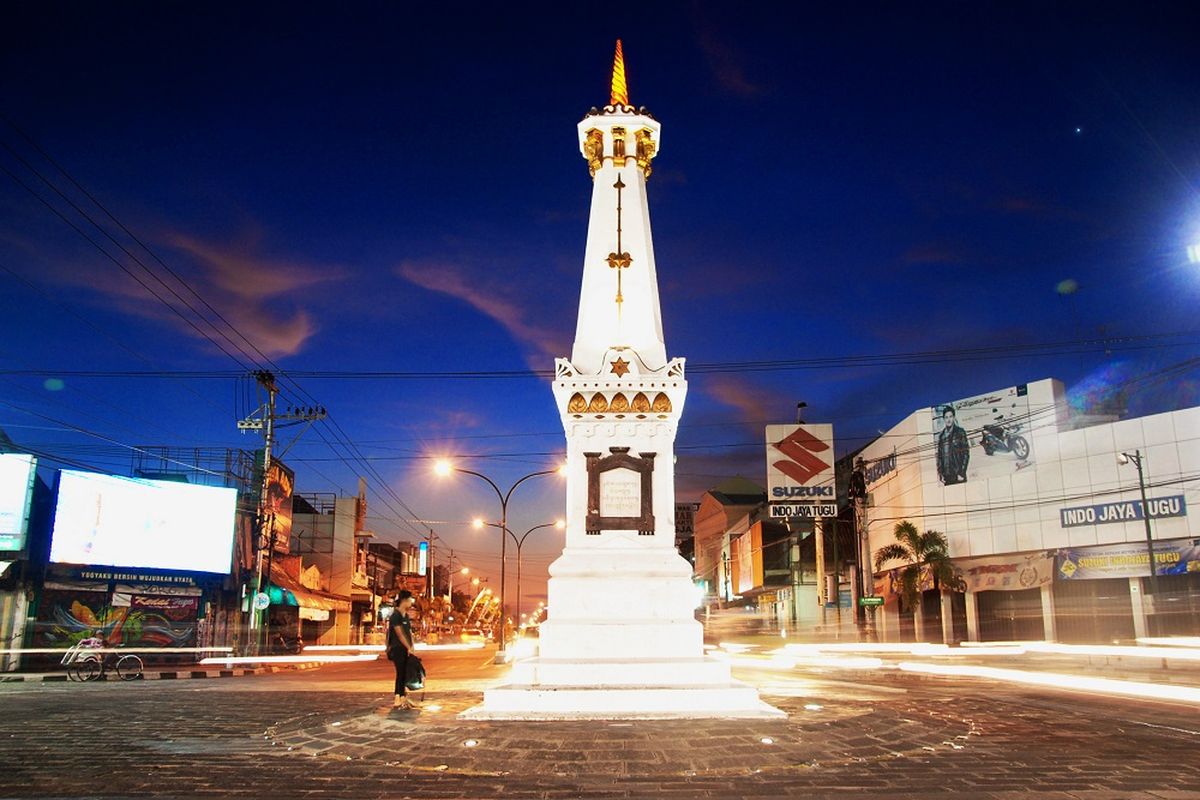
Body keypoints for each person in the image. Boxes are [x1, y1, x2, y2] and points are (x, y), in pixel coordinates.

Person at [387, 591, 419, 709]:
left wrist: (412, 646)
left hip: (406, 649)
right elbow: (400, 634)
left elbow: (409, 633)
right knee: (401, 673)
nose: (411, 602)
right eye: (410, 600)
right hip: (398, 648)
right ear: (404, 600)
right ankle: (397, 698)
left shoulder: (405, 615)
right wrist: (408, 647)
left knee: (405, 673)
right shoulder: (396, 615)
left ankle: (403, 698)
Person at [936, 405, 970, 485]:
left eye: (950, 416)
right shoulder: (941, 436)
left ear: (954, 417)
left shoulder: (960, 432)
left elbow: (966, 454)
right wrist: (940, 473)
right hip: (947, 476)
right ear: (944, 419)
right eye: (946, 417)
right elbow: (940, 457)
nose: (949, 419)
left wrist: (962, 472)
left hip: (958, 475)